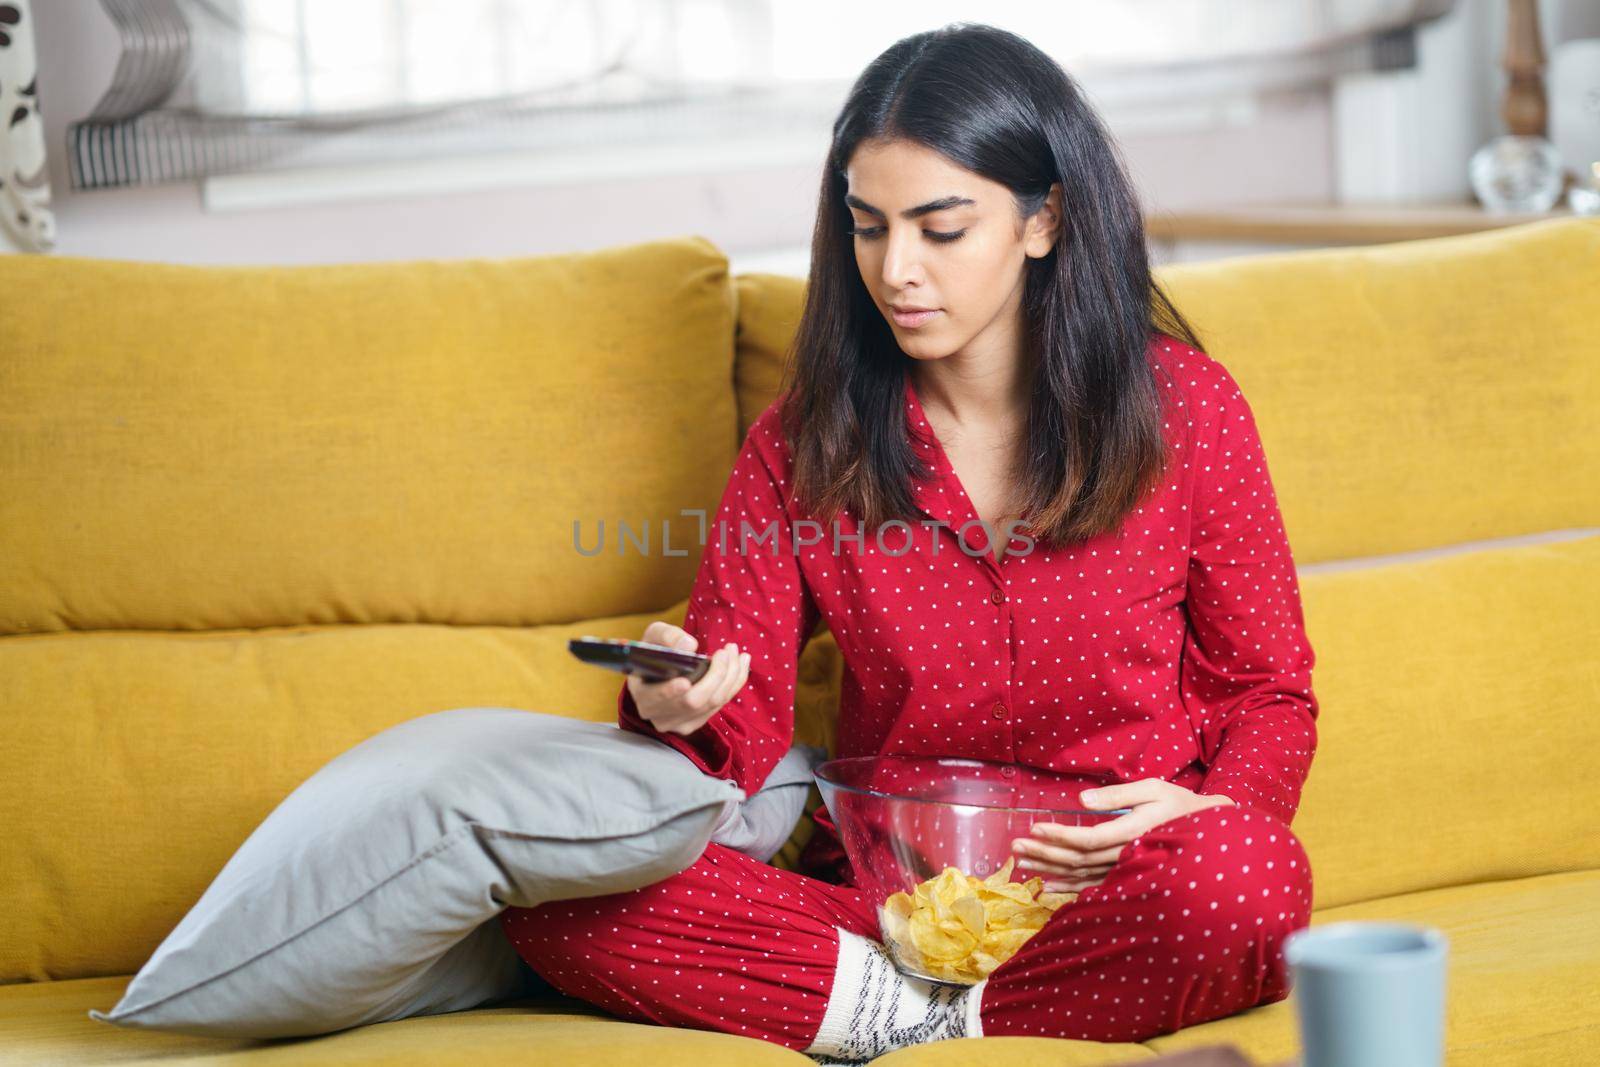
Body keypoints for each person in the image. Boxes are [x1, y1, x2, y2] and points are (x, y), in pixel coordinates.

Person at [499, 21, 1317, 1064]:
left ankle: (896, 1018)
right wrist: (676, 703)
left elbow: (1268, 690)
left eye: (941, 229)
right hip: (893, 906)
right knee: (559, 902)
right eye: (868, 226)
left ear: (1043, 219)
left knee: (1251, 877)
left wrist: (1210, 805)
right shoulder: (800, 445)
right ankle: (940, 1013)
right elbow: (733, 717)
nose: (896, 271)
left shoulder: (1188, 410)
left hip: (1118, 888)